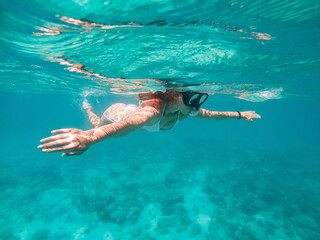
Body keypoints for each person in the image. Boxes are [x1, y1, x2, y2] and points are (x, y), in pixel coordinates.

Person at [38, 91, 261, 156]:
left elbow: (213, 115)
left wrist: (240, 114)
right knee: (97, 127)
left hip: (135, 126)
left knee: (119, 132)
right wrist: (91, 138)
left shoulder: (186, 109)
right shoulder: (153, 111)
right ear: (175, 95)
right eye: (191, 98)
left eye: (199, 98)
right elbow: (133, 122)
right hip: (118, 114)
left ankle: (88, 112)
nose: (196, 104)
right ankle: (86, 106)